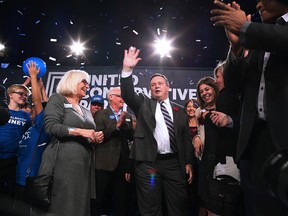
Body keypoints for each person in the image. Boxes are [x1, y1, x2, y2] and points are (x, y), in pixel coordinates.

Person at [211, 0, 288, 215]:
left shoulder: (263, 35)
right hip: (255, 145)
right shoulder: (259, 38)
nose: (258, 4)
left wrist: (245, 28)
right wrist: (235, 47)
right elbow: (235, 86)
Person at [120, 46, 193, 216]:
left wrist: (188, 162)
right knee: (150, 209)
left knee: (178, 208)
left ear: (168, 87)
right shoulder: (143, 104)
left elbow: (186, 138)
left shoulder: (180, 110)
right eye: (153, 85)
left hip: (174, 164)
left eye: (160, 83)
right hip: (148, 165)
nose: (156, 86)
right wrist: (127, 70)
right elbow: (128, 94)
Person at [38, 70, 104, 216]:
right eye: (84, 82)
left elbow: (88, 135)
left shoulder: (86, 111)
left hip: (84, 164)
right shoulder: (58, 99)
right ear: (72, 82)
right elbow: (51, 127)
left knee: (81, 206)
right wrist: (81, 131)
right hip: (64, 161)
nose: (88, 85)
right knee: (65, 204)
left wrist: (95, 138)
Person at [14, 61, 51, 216]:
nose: (33, 111)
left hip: (33, 180)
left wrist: (35, 79)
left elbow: (38, 102)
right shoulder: (27, 125)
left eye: (36, 111)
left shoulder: (42, 127)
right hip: (17, 177)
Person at [92, 87, 134, 216]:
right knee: (98, 200)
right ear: (110, 97)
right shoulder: (101, 114)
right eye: (119, 96)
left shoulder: (127, 116)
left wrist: (128, 167)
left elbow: (130, 138)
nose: (123, 99)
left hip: (121, 165)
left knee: (120, 201)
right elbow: (99, 136)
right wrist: (116, 126)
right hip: (103, 164)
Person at [0, 83, 32, 215]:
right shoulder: (2, 111)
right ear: (10, 95)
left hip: (13, 160)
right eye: (21, 93)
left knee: (9, 193)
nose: (24, 96)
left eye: (26, 95)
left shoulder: (26, 117)